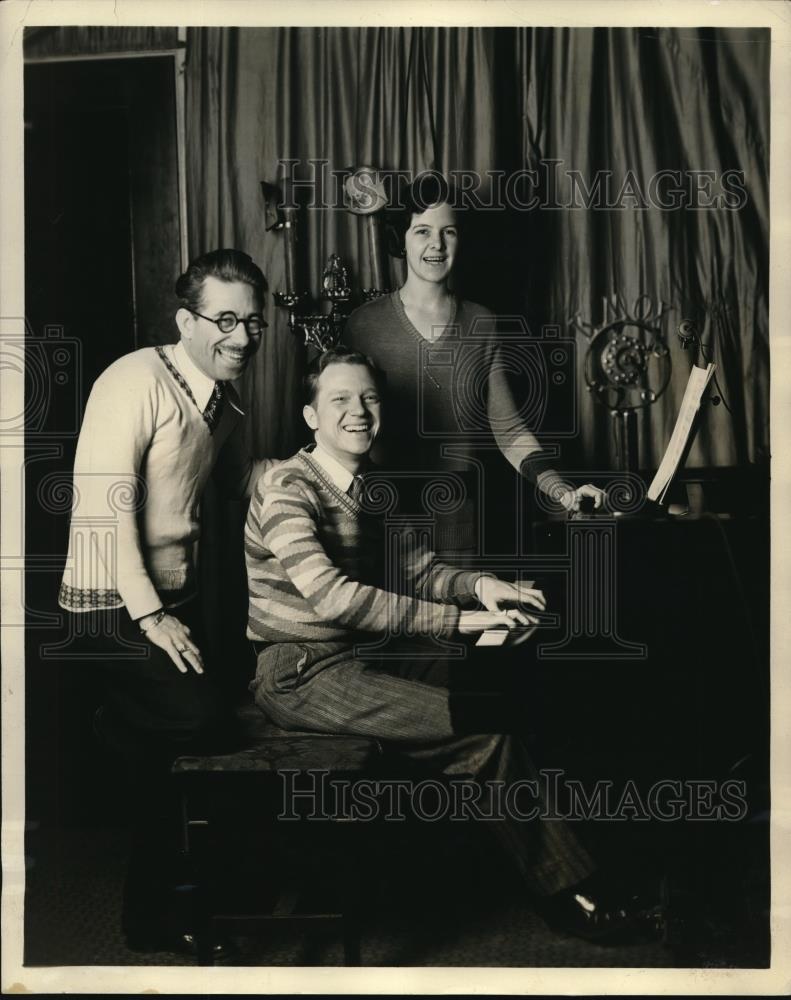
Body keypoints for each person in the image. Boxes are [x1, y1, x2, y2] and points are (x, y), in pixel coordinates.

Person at [244, 345, 658, 944]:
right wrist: (459, 622)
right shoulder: (286, 485)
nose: (358, 412)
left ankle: (573, 881)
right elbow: (332, 598)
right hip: (299, 673)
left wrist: (485, 586)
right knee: (484, 728)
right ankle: (572, 895)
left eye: (368, 398)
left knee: (501, 700)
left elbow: (418, 570)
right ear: (310, 416)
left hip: (360, 658)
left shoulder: (370, 486)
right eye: (339, 400)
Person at [58, 248, 276, 955]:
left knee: (171, 746)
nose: (241, 338)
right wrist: (150, 618)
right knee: (202, 721)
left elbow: (238, 481)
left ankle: (159, 911)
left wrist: (321, 457)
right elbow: (103, 506)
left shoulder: (225, 401)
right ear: (186, 321)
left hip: (170, 601)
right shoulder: (133, 380)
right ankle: (119, 732)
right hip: (108, 605)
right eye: (224, 321)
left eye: (252, 322)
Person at [343, 172, 605, 557]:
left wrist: (561, 489)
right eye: (422, 231)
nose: (436, 244)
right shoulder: (363, 325)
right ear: (401, 238)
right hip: (382, 521)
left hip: (459, 526)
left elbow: (510, 429)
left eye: (448, 232)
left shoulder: (482, 323)